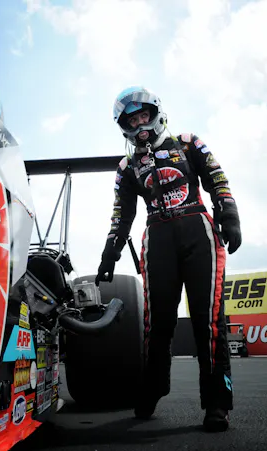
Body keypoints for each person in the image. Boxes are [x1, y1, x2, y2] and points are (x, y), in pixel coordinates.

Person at [94, 86, 242, 432]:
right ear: (125, 126)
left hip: (198, 231)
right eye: (132, 120)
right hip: (157, 238)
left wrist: (229, 214)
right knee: (157, 323)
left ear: (155, 113)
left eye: (143, 115)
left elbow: (217, 178)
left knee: (208, 320)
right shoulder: (126, 166)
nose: (140, 124)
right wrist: (110, 252)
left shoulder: (188, 143)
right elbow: (121, 214)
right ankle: (153, 387)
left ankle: (217, 403)